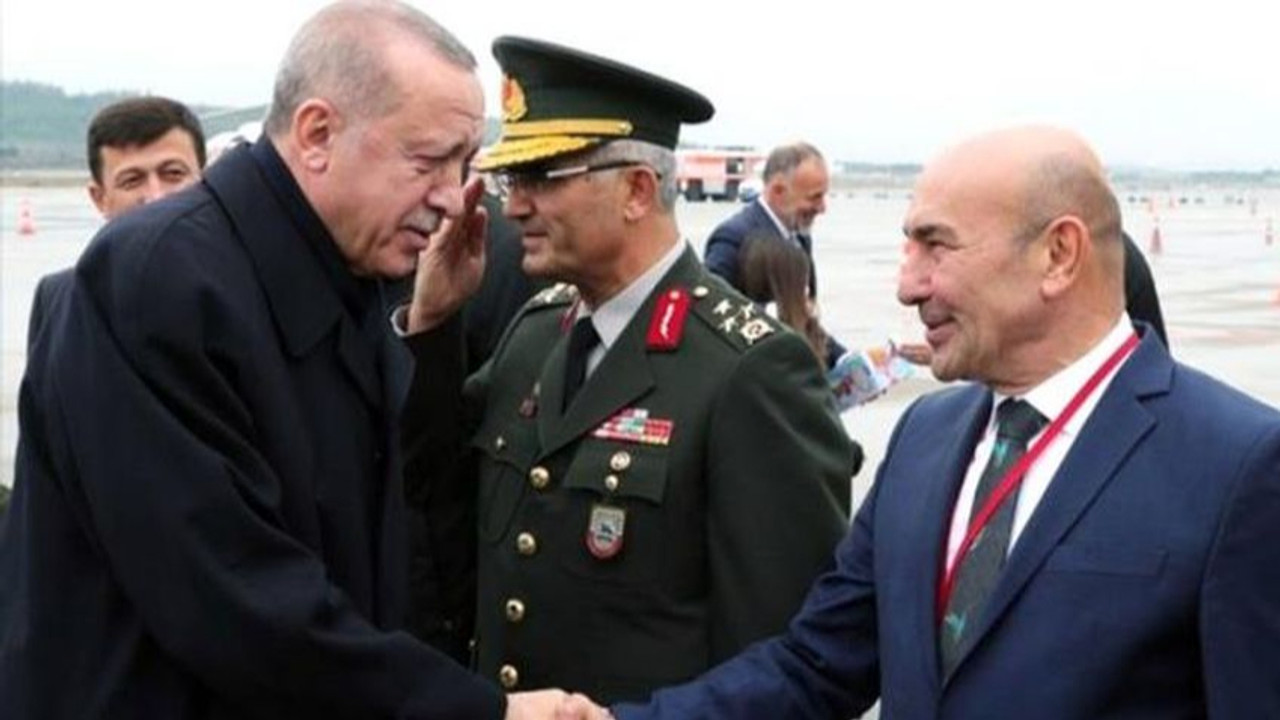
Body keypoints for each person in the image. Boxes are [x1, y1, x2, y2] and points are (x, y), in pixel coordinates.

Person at [559, 126, 1280, 719]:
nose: (907, 286)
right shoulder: (925, 437)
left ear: (1058, 255)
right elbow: (816, 667)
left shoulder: (1240, 464)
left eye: (935, 245)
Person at [0, 2, 566, 717]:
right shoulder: (158, 283)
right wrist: (476, 710)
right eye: (427, 161)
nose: (453, 198)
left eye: (463, 163)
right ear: (318, 134)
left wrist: (429, 331)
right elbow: (233, 595)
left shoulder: (350, 270)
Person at [402, 36, 858, 704]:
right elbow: (433, 504)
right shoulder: (535, 334)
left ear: (637, 190)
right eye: (512, 180)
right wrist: (432, 325)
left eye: (542, 177)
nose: (515, 205)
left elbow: (787, 658)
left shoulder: (751, 370)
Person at [26, 96, 208, 351]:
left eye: (173, 174)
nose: (156, 196)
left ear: (206, 180)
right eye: (132, 180)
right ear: (100, 198)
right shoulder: (61, 301)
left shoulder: (248, 286)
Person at [703, 142, 846, 367]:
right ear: (778, 191)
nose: (822, 208)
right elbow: (711, 314)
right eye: (814, 197)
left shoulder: (799, 235)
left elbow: (803, 318)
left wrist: (846, 361)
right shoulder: (732, 238)